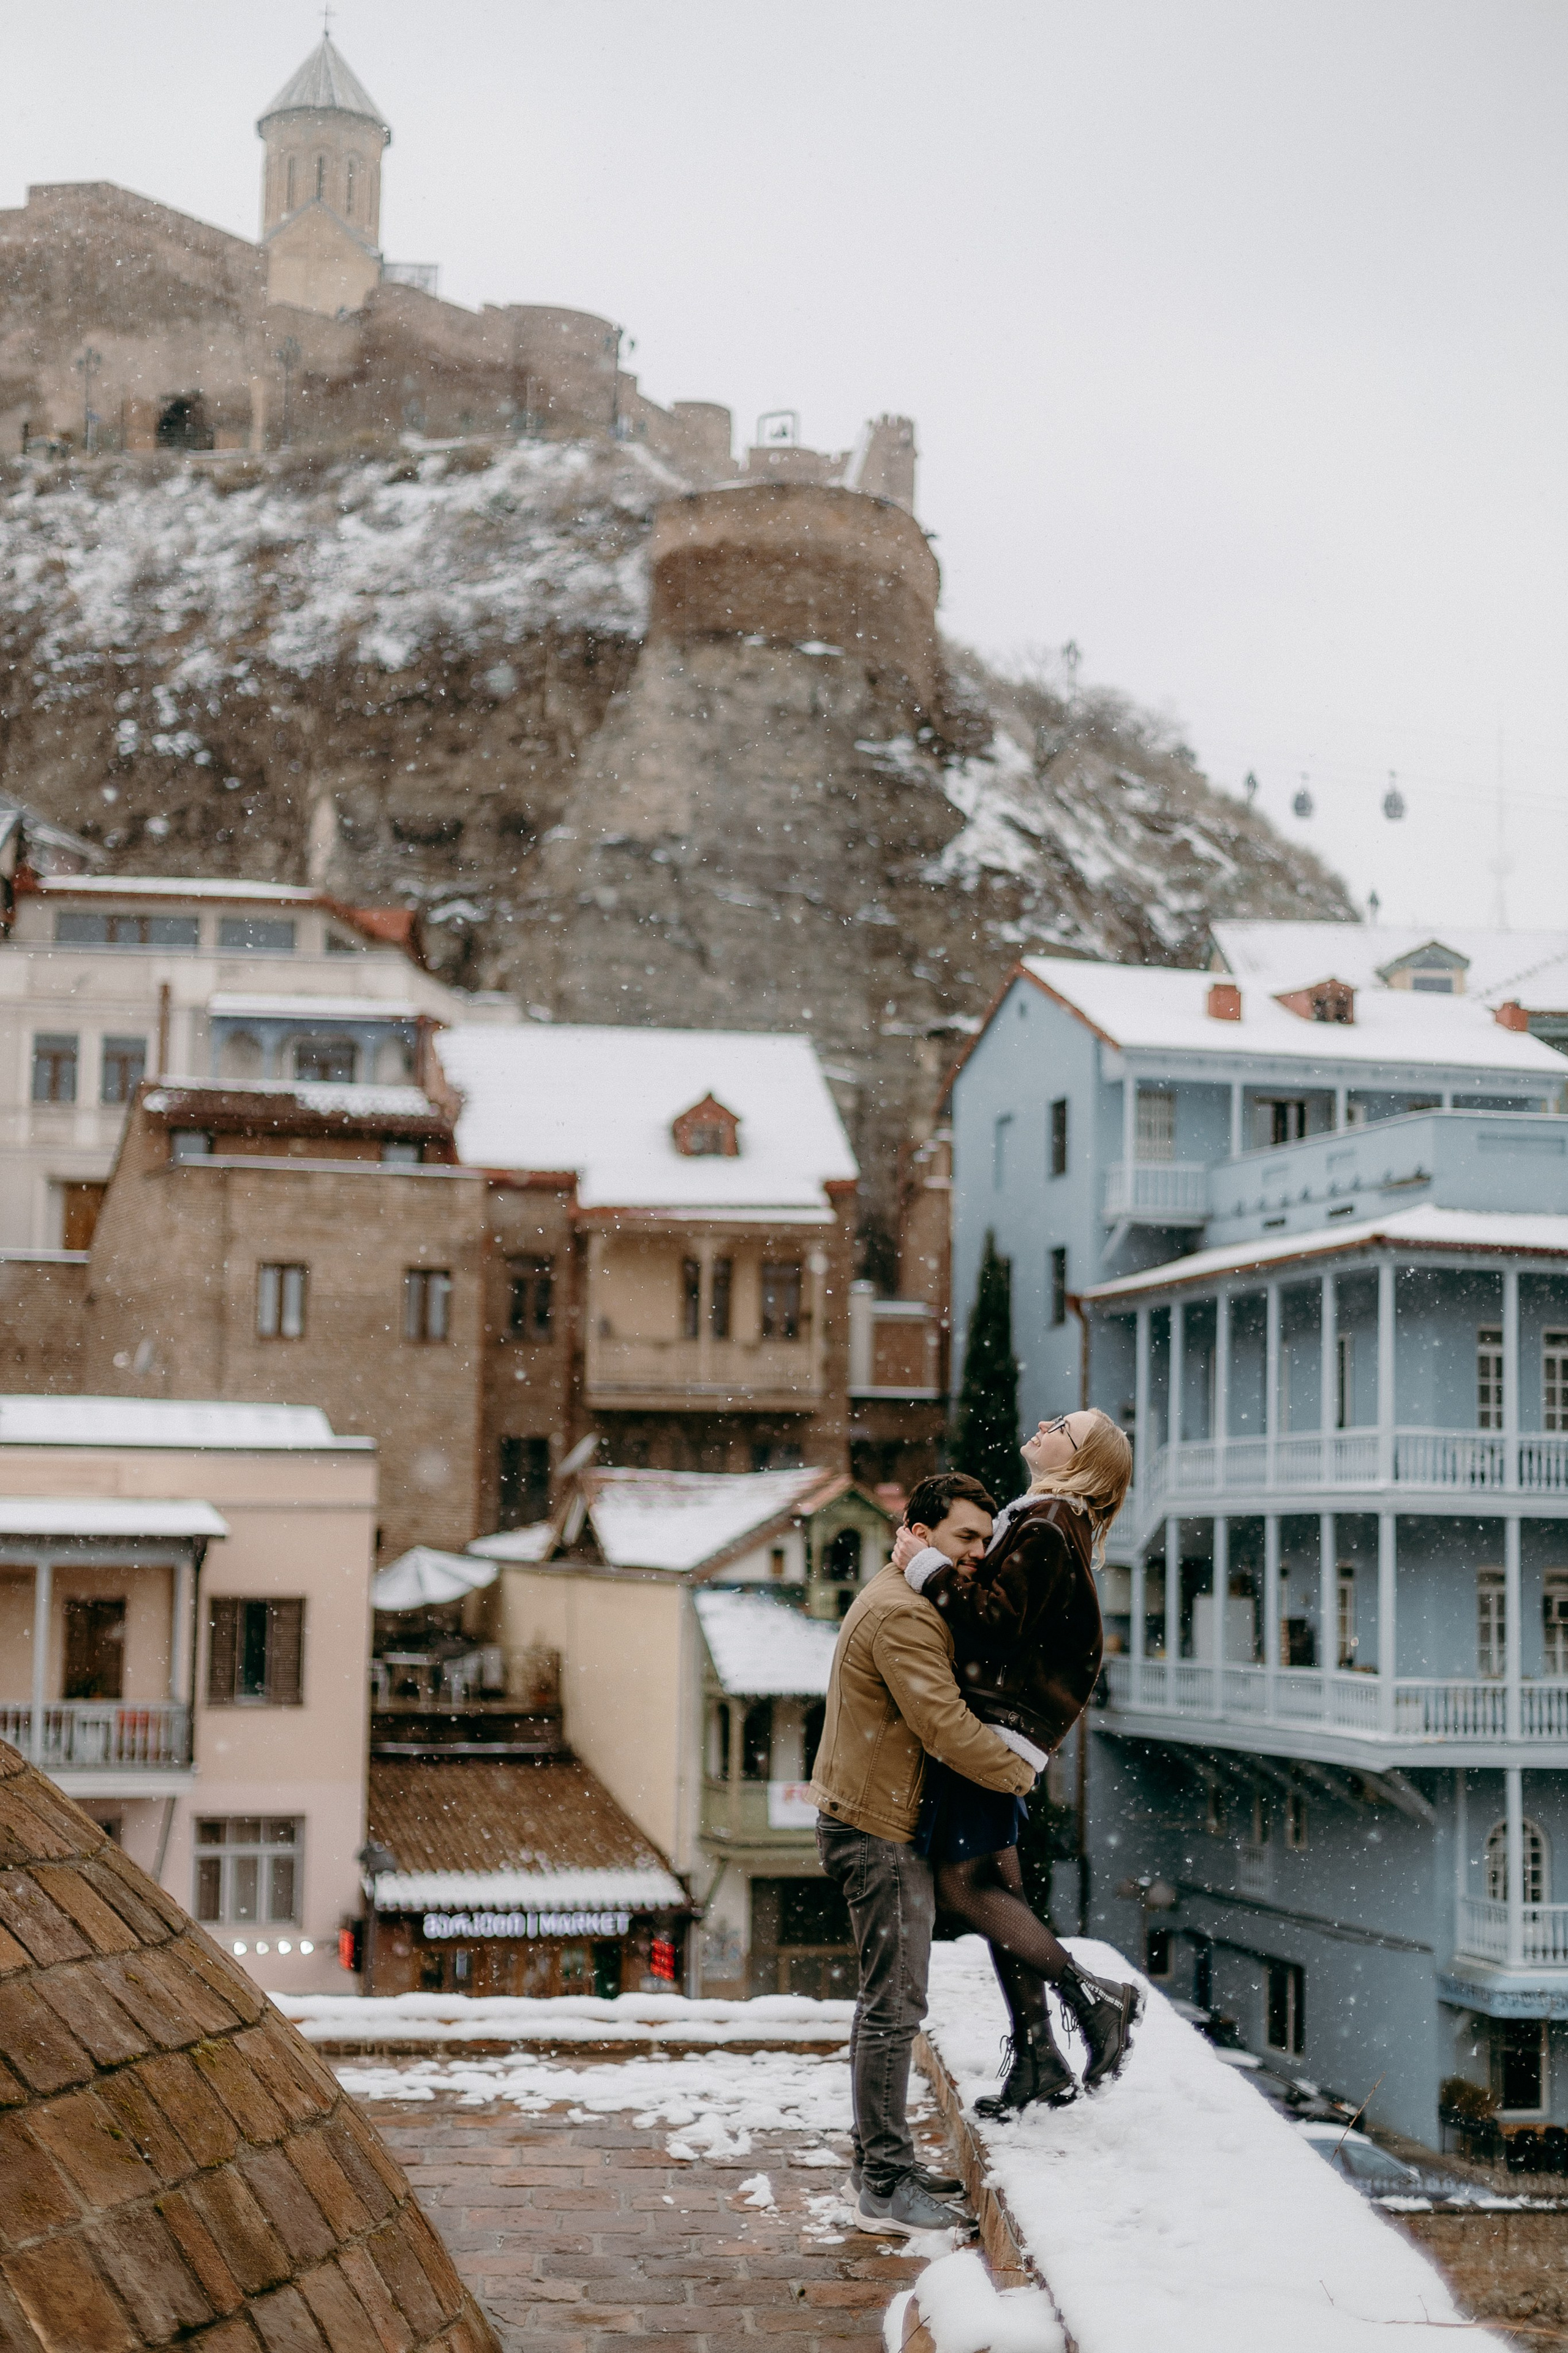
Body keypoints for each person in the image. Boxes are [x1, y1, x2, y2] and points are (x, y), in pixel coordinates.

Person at [809, 1470, 1043, 2235]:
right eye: (964, 1538)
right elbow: (942, 1725)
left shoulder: (901, 1592)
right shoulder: (905, 1614)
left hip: (875, 1819)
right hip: (876, 1831)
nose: (977, 1552)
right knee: (894, 2003)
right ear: (920, 1531)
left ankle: (884, 2164)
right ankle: (883, 2182)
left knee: (890, 1998)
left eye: (985, 1538)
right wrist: (1021, 1768)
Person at [892, 1409, 1139, 2117]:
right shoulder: (1050, 1522)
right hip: (1005, 1730)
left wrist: (928, 1568)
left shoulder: (1048, 1522)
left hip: (993, 1730)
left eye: (1063, 1424)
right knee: (1000, 1888)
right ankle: (1037, 2053)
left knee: (963, 1887)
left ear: (1082, 1459)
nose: (1041, 1422)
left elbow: (997, 1622)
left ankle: (1096, 2001)